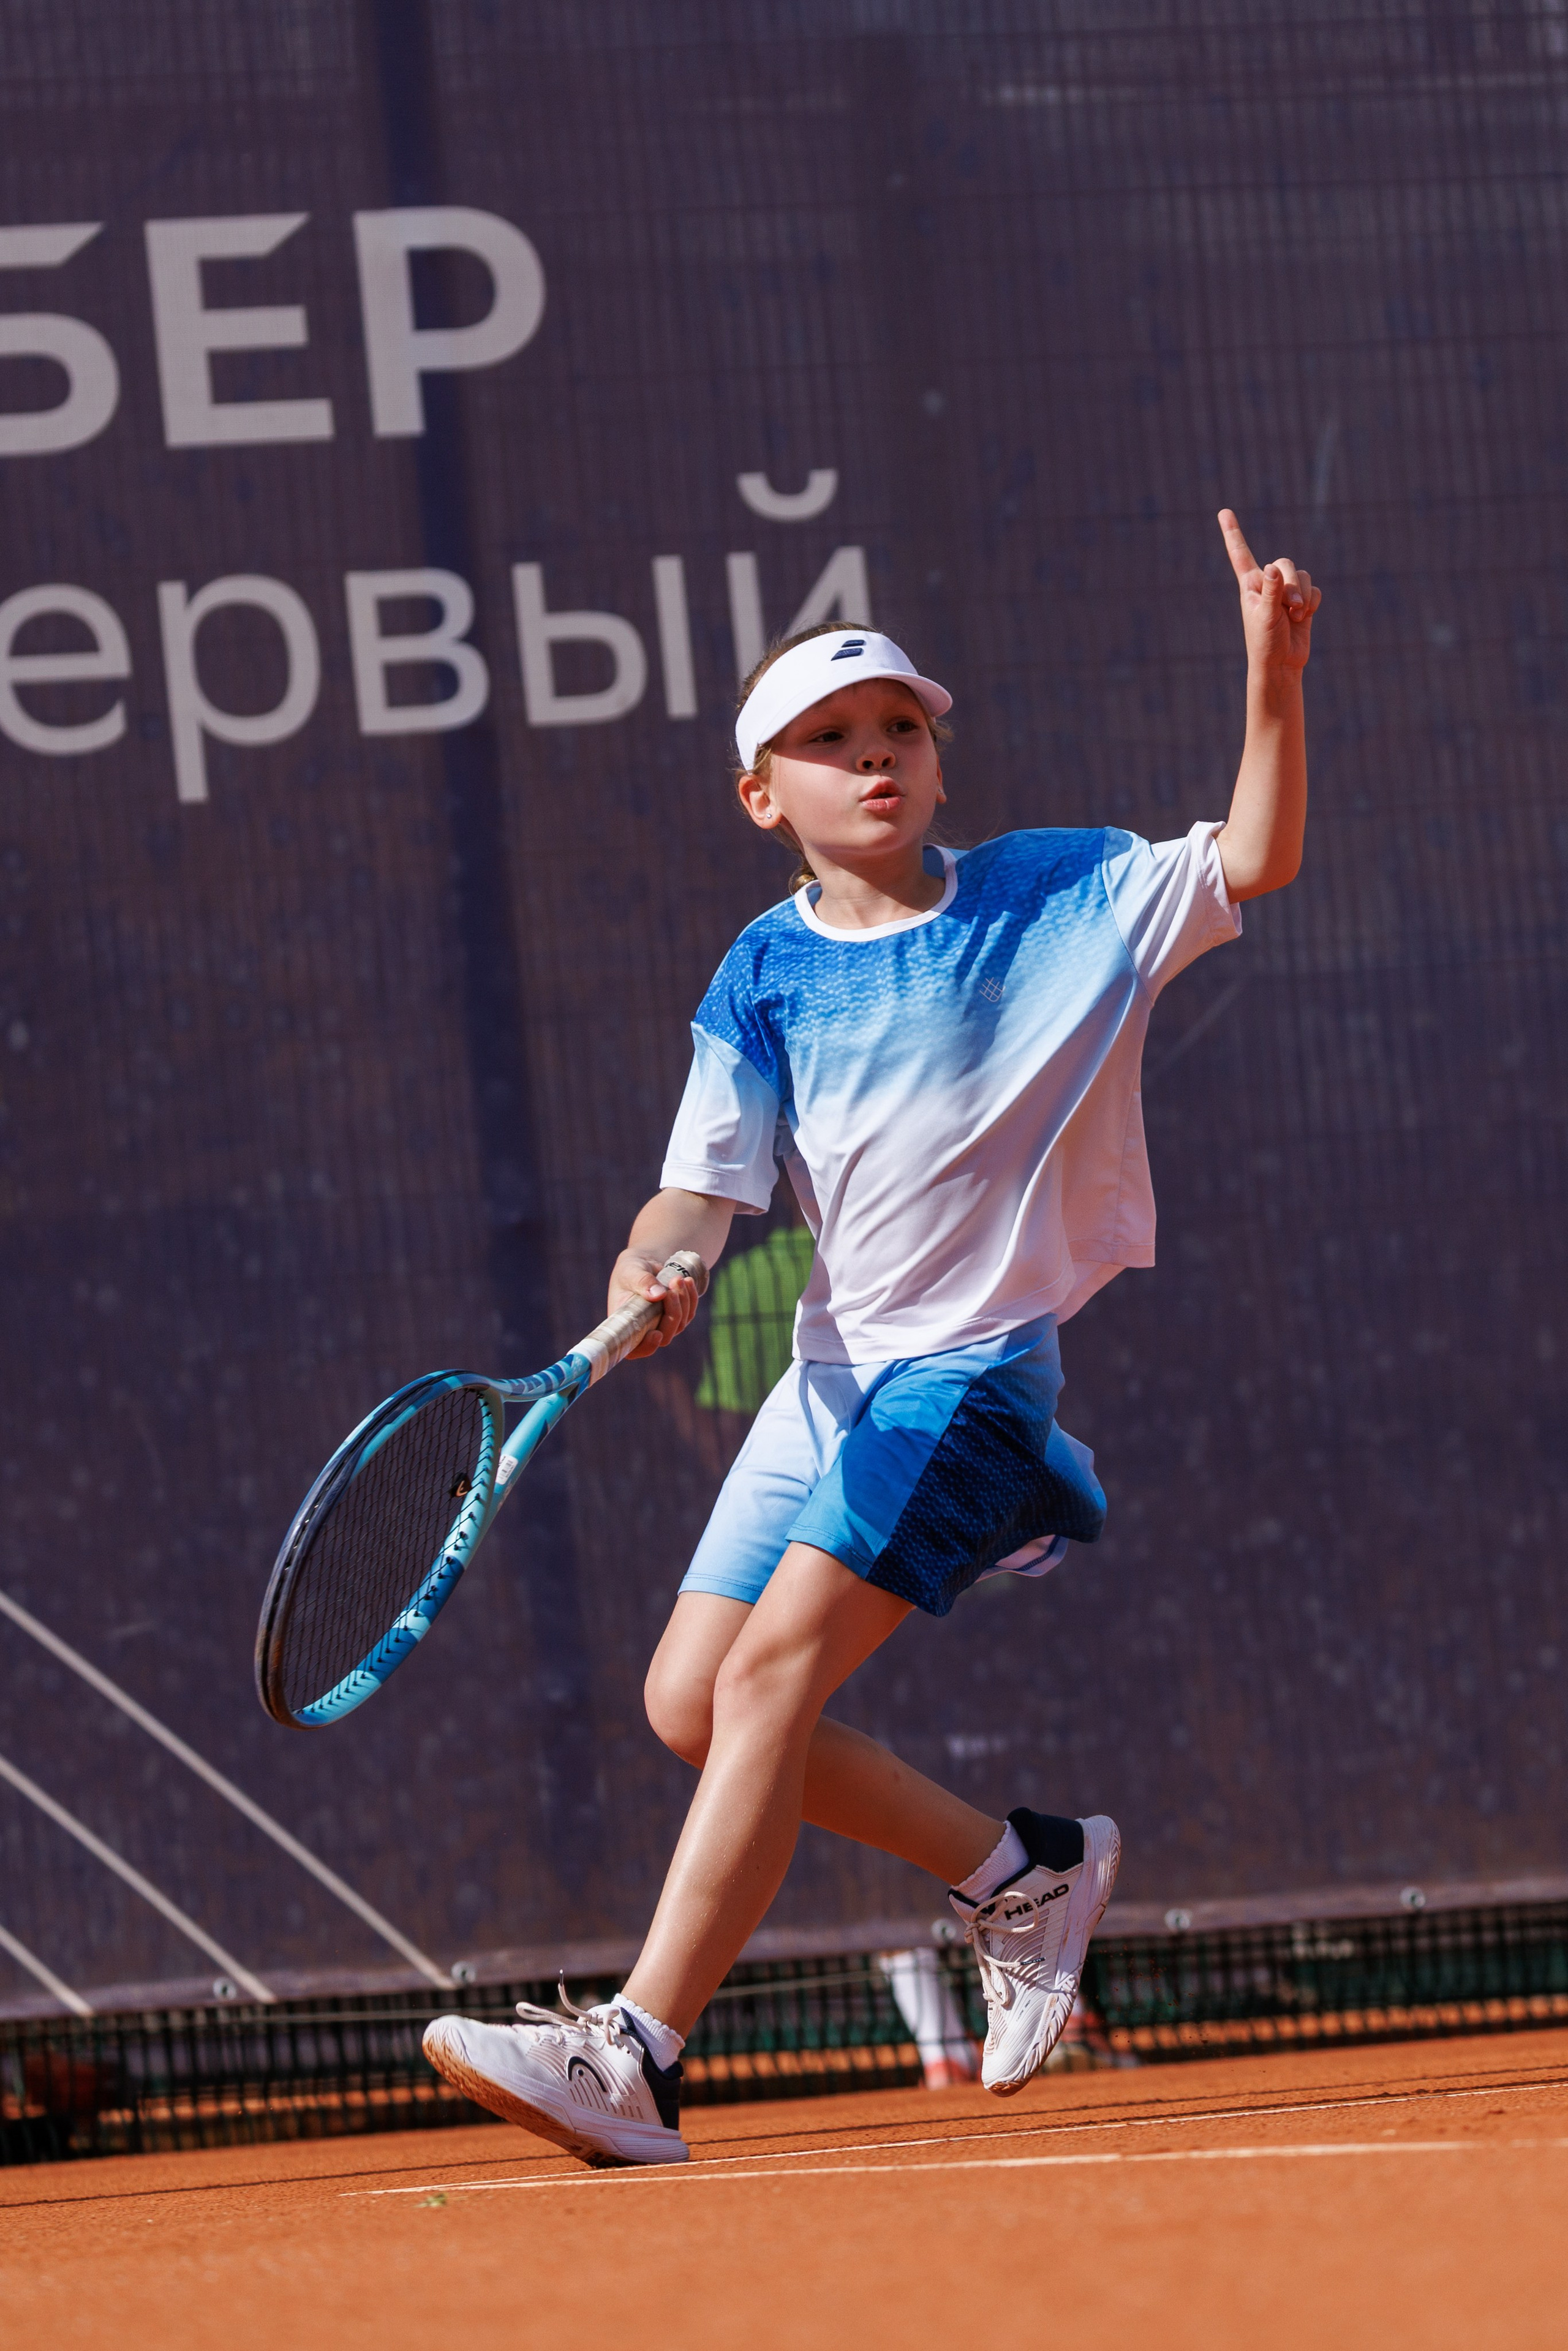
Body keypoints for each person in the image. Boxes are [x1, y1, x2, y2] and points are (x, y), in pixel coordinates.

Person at [423, 511, 1321, 2166]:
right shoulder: (762, 973)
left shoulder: (1065, 892)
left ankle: (637, 2051)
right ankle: (1023, 1871)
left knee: (769, 1676)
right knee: (691, 1702)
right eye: (830, 742)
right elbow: (693, 1200)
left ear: (938, 754)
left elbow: (1252, 856)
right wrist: (658, 1273)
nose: (876, 757)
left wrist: (1274, 678)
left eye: (898, 726)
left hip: (971, 1370)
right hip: (828, 1379)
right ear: (767, 794)